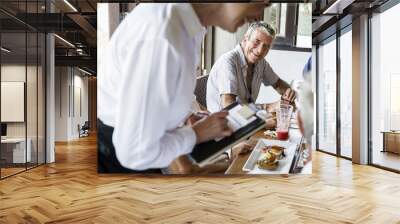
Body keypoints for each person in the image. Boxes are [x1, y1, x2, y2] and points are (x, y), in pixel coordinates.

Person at [97, 3, 268, 173]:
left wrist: (187, 116)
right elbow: (134, 152)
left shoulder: (186, 28)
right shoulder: (162, 34)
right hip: (118, 161)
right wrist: (197, 134)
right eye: (262, 3)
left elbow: (161, 93)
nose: (259, 14)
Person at [206, 21, 296, 114]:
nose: (260, 51)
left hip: (246, 119)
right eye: (256, 42)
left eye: (266, 46)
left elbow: (278, 83)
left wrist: (288, 94)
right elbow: (229, 106)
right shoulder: (228, 61)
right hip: (225, 123)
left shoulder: (261, 63)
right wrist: (267, 107)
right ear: (245, 39)